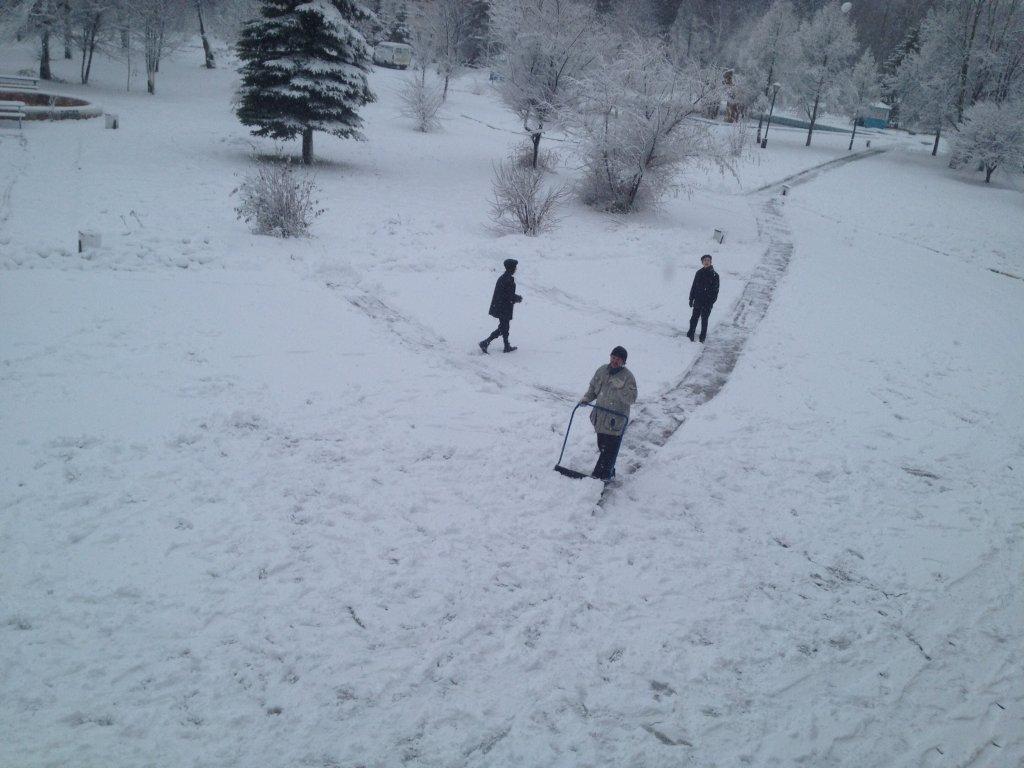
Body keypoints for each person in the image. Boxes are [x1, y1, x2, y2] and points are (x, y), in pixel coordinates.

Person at [580, 346, 638, 480]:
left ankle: (599, 477)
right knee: (602, 447)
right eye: (613, 357)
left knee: (608, 451)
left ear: (623, 362)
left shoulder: (628, 377)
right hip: (600, 418)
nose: (614, 361)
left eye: (618, 359)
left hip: (615, 421)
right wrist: (586, 398)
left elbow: (632, 399)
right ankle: (609, 470)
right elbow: (593, 389)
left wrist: (621, 388)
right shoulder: (602, 370)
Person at [479, 258, 522, 353]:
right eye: (515, 267)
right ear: (511, 268)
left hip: (501, 307)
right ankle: (485, 343)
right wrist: (517, 298)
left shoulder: (504, 277)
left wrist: (514, 298)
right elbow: (508, 296)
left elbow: (506, 294)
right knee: (503, 328)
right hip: (503, 308)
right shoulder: (508, 279)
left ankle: (506, 346)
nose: (516, 269)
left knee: (504, 327)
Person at [687, 254, 720, 343]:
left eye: (708, 260)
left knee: (704, 320)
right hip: (698, 300)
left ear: (711, 262)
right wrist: (691, 298)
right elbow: (694, 287)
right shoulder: (699, 273)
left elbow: (715, 291)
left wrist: (711, 301)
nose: (706, 262)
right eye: (705, 260)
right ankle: (690, 335)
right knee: (694, 319)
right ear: (702, 262)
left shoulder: (715, 275)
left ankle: (702, 337)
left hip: (707, 302)